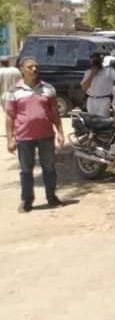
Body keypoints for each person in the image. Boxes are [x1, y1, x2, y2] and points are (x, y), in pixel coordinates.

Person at [5, 57, 65, 212]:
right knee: (26, 170)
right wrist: (10, 139)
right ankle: (26, 201)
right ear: (21, 69)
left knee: (49, 167)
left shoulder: (48, 88)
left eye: (36, 66)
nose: (34, 69)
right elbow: (10, 116)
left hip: (46, 135)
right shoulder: (13, 90)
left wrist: (60, 132)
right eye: (30, 67)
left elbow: (55, 113)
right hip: (24, 137)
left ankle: (51, 197)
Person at [81, 52, 115, 117]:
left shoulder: (109, 71)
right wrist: (92, 75)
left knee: (102, 120)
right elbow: (84, 88)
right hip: (91, 100)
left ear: (101, 61)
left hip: (104, 100)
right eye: (93, 61)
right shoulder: (88, 72)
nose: (95, 63)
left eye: (97, 61)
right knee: (91, 120)